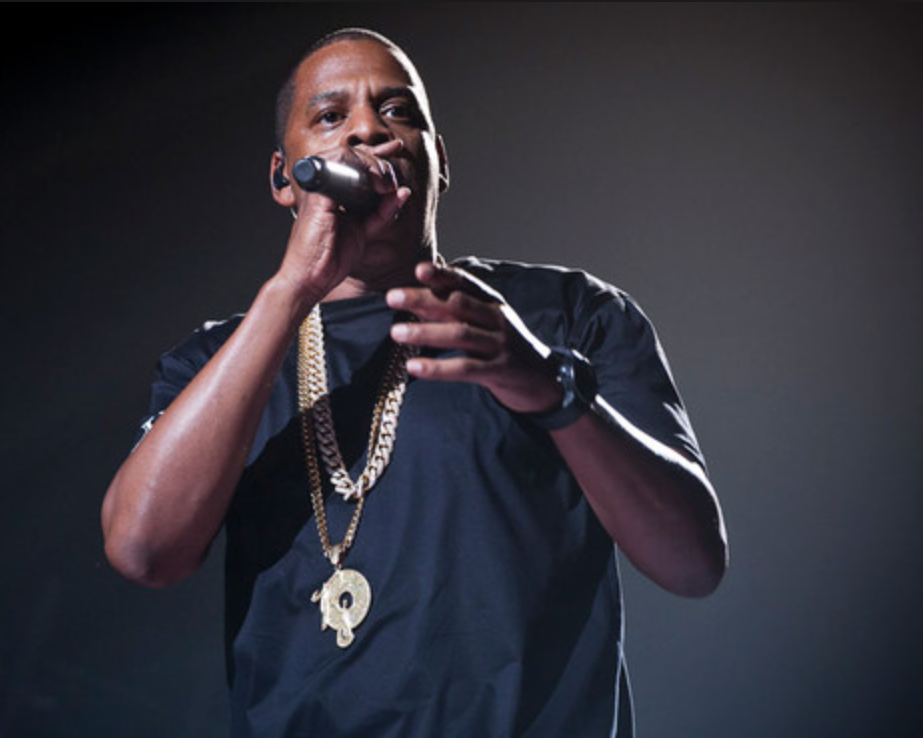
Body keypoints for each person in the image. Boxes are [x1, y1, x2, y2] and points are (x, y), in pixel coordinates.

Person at [101, 27, 727, 737]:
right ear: (285, 178)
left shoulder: (567, 314)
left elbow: (692, 564)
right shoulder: (219, 360)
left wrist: (550, 389)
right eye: (330, 116)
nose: (369, 130)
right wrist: (291, 291)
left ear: (439, 160)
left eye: (398, 111)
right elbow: (142, 550)